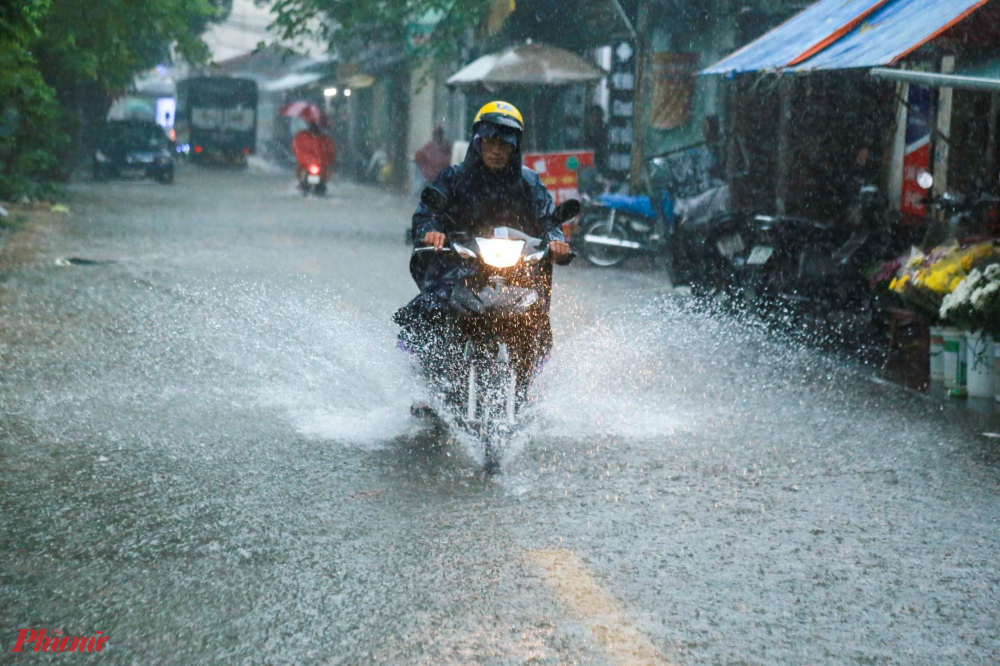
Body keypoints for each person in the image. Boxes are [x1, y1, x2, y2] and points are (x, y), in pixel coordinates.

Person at [395, 101, 571, 386]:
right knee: (432, 306)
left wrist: (557, 241)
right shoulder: (453, 178)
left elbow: (549, 221)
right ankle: (421, 383)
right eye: (490, 142)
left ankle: (535, 380)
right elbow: (428, 213)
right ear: (478, 142)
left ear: (515, 147)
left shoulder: (529, 183)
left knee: (534, 312)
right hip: (460, 265)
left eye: (504, 144)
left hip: (515, 269)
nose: (497, 150)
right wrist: (432, 231)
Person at [292, 122, 336, 191]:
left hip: (310, 163)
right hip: (315, 164)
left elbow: (298, 149)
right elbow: (330, 152)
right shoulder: (324, 138)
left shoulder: (302, 137)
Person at [413, 126, 452, 194]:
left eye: (439, 134)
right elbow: (418, 156)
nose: (438, 137)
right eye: (436, 134)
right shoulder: (430, 147)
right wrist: (425, 170)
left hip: (437, 177)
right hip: (431, 177)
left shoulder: (445, 146)